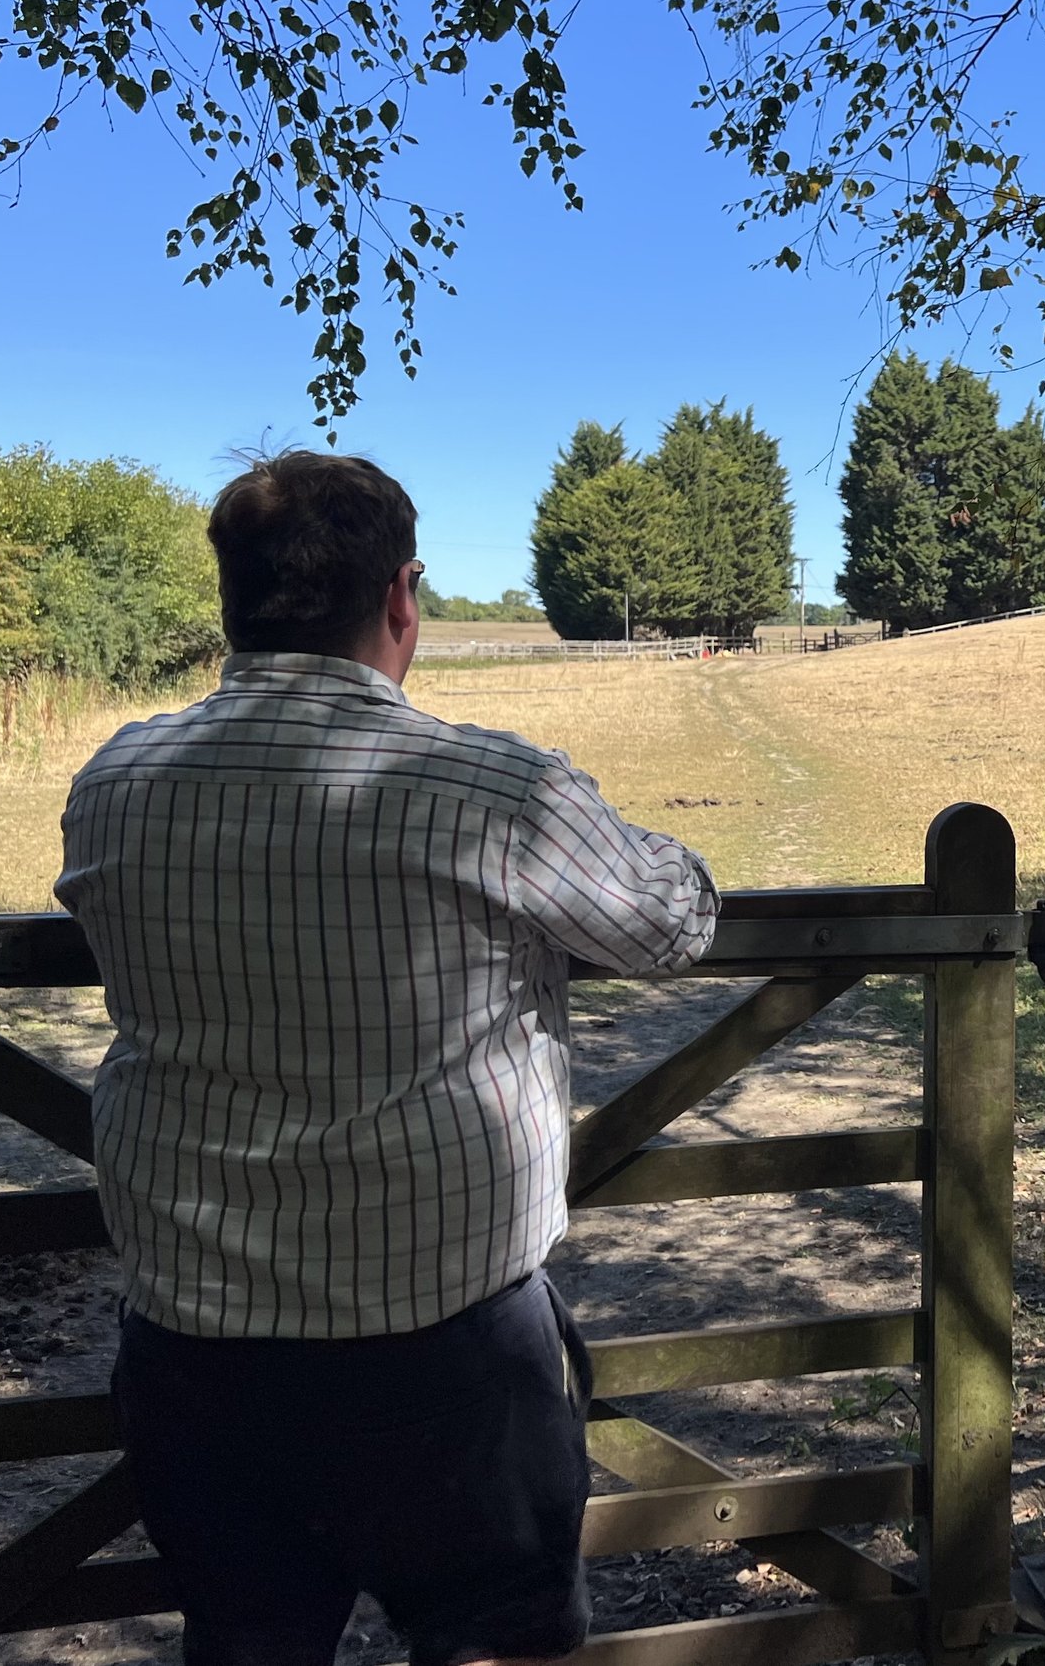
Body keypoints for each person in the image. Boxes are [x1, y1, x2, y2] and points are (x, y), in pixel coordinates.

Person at [56, 450, 718, 1666]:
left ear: (234, 600)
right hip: (444, 1347)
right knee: (496, 1641)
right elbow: (670, 923)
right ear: (402, 596)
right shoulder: (490, 786)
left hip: (197, 1348)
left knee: (250, 1640)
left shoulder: (118, 784)